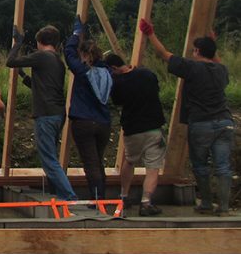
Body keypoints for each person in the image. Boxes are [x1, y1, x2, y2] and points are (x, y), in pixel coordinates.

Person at [141, 18, 235, 214]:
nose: (193, 53)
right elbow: (214, 60)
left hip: (201, 123)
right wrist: (213, 44)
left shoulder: (192, 68)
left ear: (198, 52)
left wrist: (150, 34)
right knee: (223, 166)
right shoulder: (222, 70)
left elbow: (164, 54)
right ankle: (224, 207)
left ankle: (207, 204)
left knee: (200, 165)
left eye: (194, 50)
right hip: (225, 122)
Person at [6, 25, 78, 201]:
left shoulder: (42, 56)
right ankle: (60, 195)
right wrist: (24, 77)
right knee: (51, 156)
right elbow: (45, 88)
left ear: (40, 42)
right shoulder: (57, 61)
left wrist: (18, 44)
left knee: (49, 159)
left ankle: (70, 197)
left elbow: (10, 61)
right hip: (57, 113)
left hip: (45, 114)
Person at [104, 52, 165, 216]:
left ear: (114, 68)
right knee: (152, 168)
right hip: (153, 128)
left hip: (132, 130)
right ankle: (146, 203)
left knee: (129, 161)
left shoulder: (117, 84)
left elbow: (117, 102)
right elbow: (156, 89)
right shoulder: (147, 74)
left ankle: (124, 196)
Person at [64, 16, 113, 201]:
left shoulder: (84, 72)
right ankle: (101, 196)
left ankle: (97, 199)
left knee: (90, 163)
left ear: (84, 55)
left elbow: (68, 54)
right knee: (98, 161)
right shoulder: (107, 72)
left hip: (83, 121)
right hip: (103, 122)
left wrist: (76, 34)